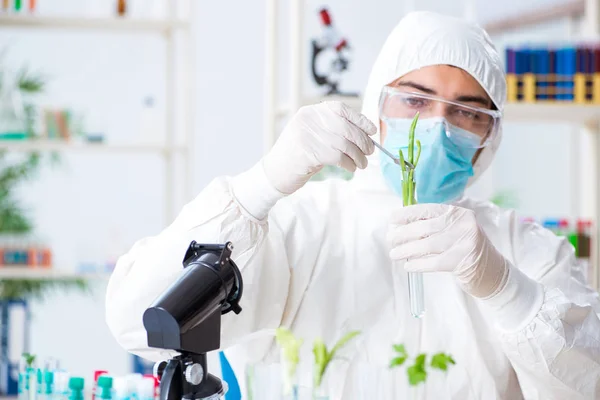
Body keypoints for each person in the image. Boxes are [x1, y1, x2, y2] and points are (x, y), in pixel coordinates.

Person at [105, 11, 600, 399]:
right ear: (376, 103)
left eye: (466, 112)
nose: (436, 126)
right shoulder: (301, 225)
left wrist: (506, 288)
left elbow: (588, 383)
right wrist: (261, 186)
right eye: (415, 100)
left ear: (490, 135)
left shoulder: (523, 248)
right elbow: (139, 322)